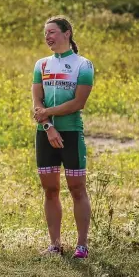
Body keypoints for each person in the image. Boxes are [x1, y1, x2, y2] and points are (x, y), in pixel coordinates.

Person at [32, 15, 94, 259]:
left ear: (67, 33)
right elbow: (36, 102)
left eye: (52, 32)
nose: (47, 37)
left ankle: (82, 245)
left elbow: (78, 102)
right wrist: (48, 126)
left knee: (77, 189)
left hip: (71, 132)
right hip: (45, 133)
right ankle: (55, 244)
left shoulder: (83, 65)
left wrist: (47, 112)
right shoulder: (41, 64)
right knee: (50, 190)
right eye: (45, 33)